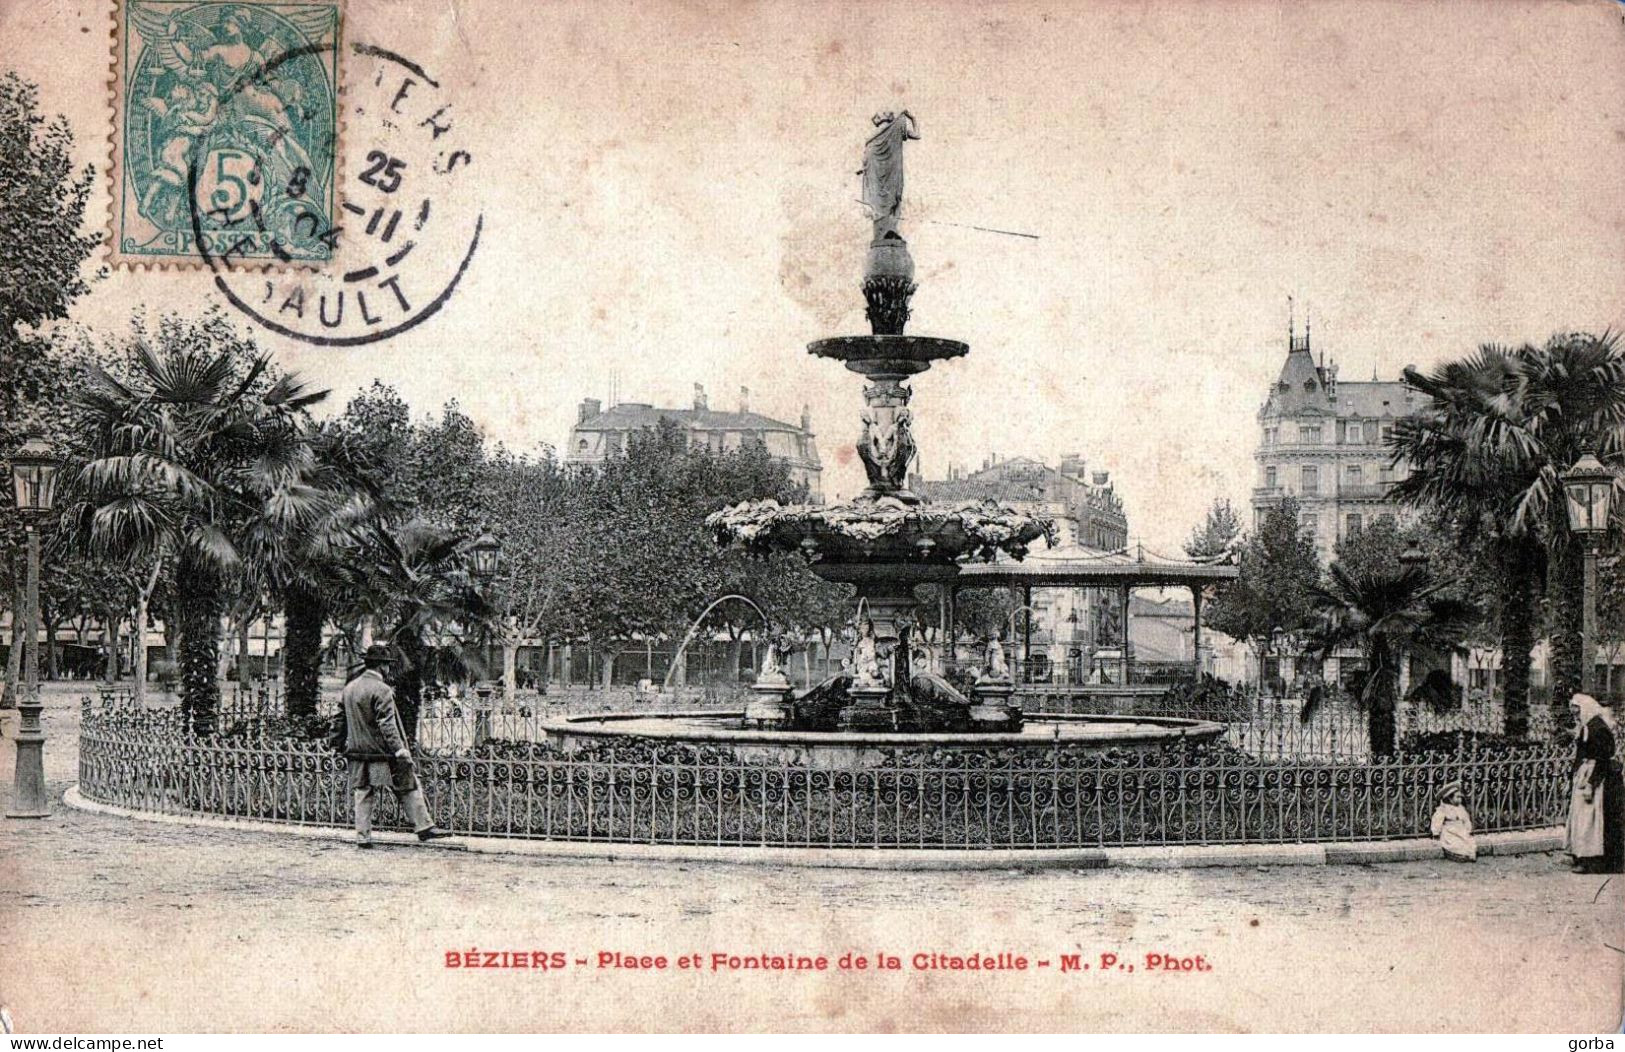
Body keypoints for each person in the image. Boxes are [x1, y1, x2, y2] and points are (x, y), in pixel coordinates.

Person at [334, 644, 453, 848]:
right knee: (407, 782)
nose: (388, 670)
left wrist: (336, 744)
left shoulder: (350, 688)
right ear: (382, 667)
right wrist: (399, 749)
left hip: (358, 752)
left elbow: (338, 721)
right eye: (387, 666)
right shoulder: (382, 690)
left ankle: (363, 836)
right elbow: (387, 724)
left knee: (363, 791)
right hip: (382, 754)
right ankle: (424, 826)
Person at [1565, 692, 1623, 874]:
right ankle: (1580, 854)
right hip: (1585, 773)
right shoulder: (1587, 727)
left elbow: (1602, 758)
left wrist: (1591, 783)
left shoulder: (1598, 728)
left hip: (1597, 778)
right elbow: (1580, 755)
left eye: (1577, 710)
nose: (1574, 714)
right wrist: (1572, 777)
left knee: (1592, 819)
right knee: (1581, 817)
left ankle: (1593, 860)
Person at [1429, 781, 1476, 862]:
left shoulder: (1461, 808)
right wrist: (1436, 832)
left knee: (1469, 842)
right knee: (1455, 843)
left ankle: (1469, 854)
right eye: (1457, 797)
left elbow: (1466, 819)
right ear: (1450, 798)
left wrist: (1468, 829)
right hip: (1450, 830)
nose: (1460, 799)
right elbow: (1437, 820)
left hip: (1461, 830)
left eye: (1460, 797)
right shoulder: (1444, 809)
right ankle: (1460, 855)